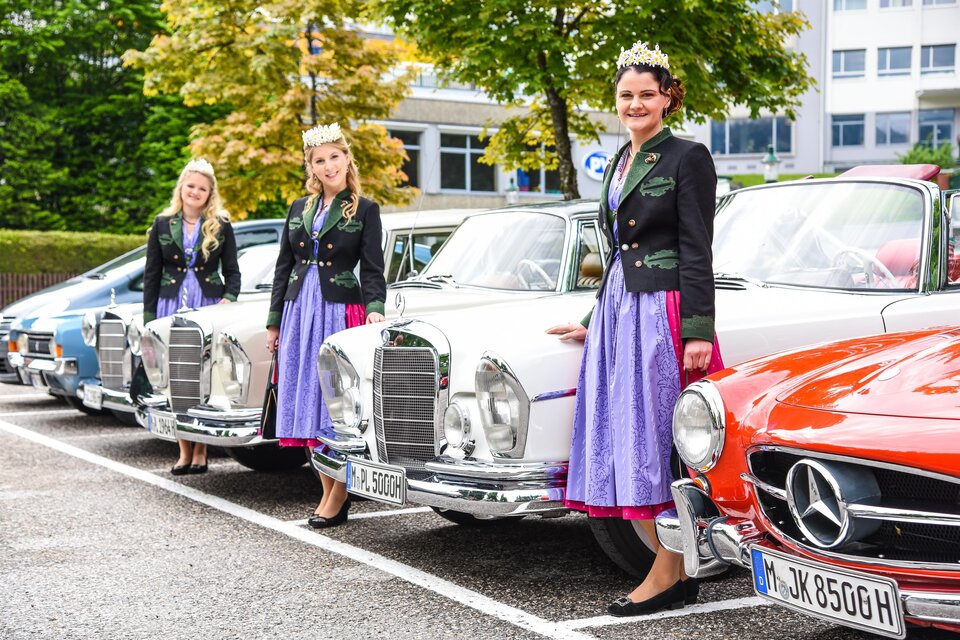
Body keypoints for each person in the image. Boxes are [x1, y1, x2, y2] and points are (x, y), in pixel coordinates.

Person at [547, 41, 724, 616]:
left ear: (667, 97)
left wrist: (697, 329)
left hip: (664, 311)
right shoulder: (621, 161)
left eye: (647, 94)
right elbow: (620, 254)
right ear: (616, 102)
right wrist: (593, 320)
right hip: (623, 310)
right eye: (627, 95)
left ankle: (670, 570)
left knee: (660, 437)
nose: (636, 103)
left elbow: (697, 249)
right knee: (632, 434)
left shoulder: (687, 157)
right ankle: (672, 563)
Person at [266, 122, 386, 529]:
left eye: (335, 156)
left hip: (340, 309)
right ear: (311, 166)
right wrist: (273, 323)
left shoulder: (365, 208)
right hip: (299, 309)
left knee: (334, 400)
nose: (329, 165)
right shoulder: (299, 207)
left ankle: (338, 495)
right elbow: (284, 266)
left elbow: (372, 268)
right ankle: (329, 492)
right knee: (306, 395)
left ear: (347, 158)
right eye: (320, 160)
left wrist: (375, 308)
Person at [143, 158, 240, 476]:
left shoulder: (221, 225)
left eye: (202, 188)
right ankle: (184, 450)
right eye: (190, 186)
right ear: (181, 188)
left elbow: (233, 272)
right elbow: (152, 274)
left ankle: (201, 451)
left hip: (208, 306)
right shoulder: (161, 223)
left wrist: (229, 299)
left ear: (210, 193)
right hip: (170, 309)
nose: (195, 192)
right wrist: (149, 317)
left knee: (203, 378)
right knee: (176, 380)